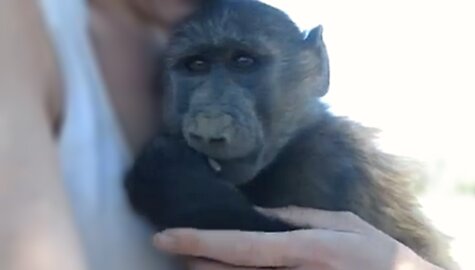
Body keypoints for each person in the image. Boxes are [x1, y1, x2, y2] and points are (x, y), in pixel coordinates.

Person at [0, 0, 446, 269]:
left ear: (317, 70)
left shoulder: (328, 159)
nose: (212, 125)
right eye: (195, 67)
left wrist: (192, 201)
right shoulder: (32, 32)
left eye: (246, 64)